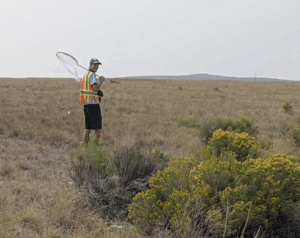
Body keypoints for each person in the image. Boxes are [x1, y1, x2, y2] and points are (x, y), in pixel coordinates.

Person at [80, 58, 105, 146]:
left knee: (88, 128)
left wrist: (97, 93)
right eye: (94, 64)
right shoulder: (92, 75)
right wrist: (101, 82)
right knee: (97, 128)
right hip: (93, 105)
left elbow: (90, 89)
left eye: (97, 65)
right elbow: (94, 87)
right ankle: (96, 148)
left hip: (86, 104)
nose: (96, 66)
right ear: (90, 65)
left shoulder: (85, 75)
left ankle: (86, 149)